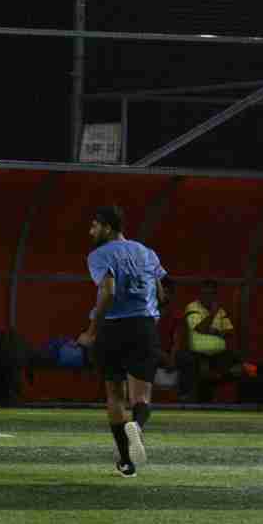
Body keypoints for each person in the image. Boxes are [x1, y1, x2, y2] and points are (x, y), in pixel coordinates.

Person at [75, 204, 169, 477]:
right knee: (142, 396)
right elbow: (161, 293)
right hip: (143, 326)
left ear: (107, 227)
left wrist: (91, 331)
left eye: (94, 226)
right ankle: (136, 425)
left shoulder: (98, 255)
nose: (91, 231)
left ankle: (126, 463)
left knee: (115, 394)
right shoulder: (147, 252)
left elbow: (108, 291)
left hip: (111, 329)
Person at [178, 278, 249, 401]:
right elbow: (200, 328)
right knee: (190, 364)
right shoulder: (192, 307)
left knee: (242, 367)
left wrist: (215, 331)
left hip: (218, 353)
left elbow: (229, 331)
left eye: (211, 293)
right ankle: (188, 397)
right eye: (205, 293)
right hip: (196, 353)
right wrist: (213, 316)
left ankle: (214, 384)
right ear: (200, 294)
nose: (208, 296)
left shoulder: (220, 311)